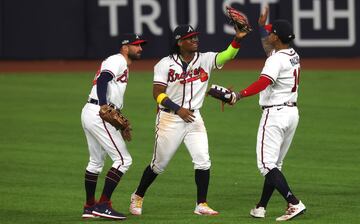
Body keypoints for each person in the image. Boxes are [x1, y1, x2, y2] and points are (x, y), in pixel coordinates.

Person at [128, 24, 248, 216]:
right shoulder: (165, 64)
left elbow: (228, 55)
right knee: (159, 164)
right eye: (190, 38)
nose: (195, 40)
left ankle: (201, 204)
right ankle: (138, 195)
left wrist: (238, 38)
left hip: (194, 118)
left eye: (195, 37)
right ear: (179, 42)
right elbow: (157, 94)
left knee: (203, 160)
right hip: (169, 118)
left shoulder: (205, 59)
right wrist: (178, 109)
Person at [230, 7, 306, 221]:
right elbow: (269, 46)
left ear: (277, 37)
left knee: (266, 165)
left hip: (275, 115)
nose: (268, 35)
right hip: (292, 114)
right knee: (274, 165)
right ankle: (261, 207)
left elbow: (264, 82)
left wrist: (239, 94)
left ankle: (294, 203)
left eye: (271, 32)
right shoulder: (292, 55)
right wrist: (263, 27)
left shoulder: (275, 60)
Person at [80, 33, 146, 220]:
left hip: (92, 112)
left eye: (141, 45)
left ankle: (89, 206)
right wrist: (103, 105)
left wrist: (116, 120)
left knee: (96, 162)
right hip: (98, 112)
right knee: (124, 160)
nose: (140, 48)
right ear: (125, 47)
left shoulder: (122, 64)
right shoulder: (117, 60)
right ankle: (103, 204)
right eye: (136, 45)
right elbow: (103, 80)